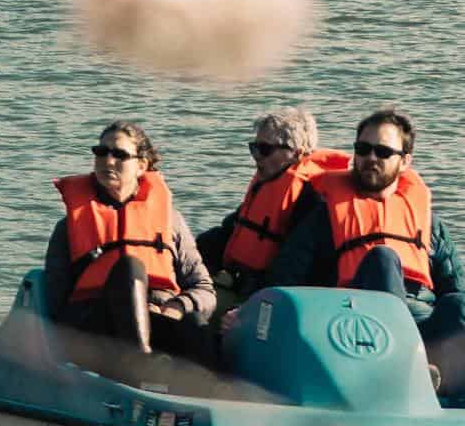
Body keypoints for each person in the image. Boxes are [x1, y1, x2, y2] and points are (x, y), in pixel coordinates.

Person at [269, 109, 465, 406]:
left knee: (457, 302)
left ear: (404, 161)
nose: (370, 158)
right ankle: (412, 375)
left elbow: (456, 288)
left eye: (383, 151)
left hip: (422, 325)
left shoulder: (428, 223)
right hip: (361, 326)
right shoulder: (324, 216)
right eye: (362, 149)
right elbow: (285, 278)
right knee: (383, 259)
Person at [43, 121, 215, 362]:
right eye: (101, 152)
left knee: (195, 323)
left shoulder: (170, 221)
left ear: (141, 166)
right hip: (95, 329)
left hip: (158, 316)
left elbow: (204, 289)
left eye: (120, 155)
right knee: (129, 267)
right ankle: (140, 364)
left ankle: (210, 389)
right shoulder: (69, 226)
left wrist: (176, 307)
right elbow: (55, 302)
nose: (108, 161)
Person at [196, 110, 350, 313]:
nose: (257, 156)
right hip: (242, 283)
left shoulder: (313, 201)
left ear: (298, 152)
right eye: (254, 148)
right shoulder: (269, 186)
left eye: (265, 149)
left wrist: (246, 308)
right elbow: (228, 233)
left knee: (195, 315)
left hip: (277, 301)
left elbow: (293, 268)